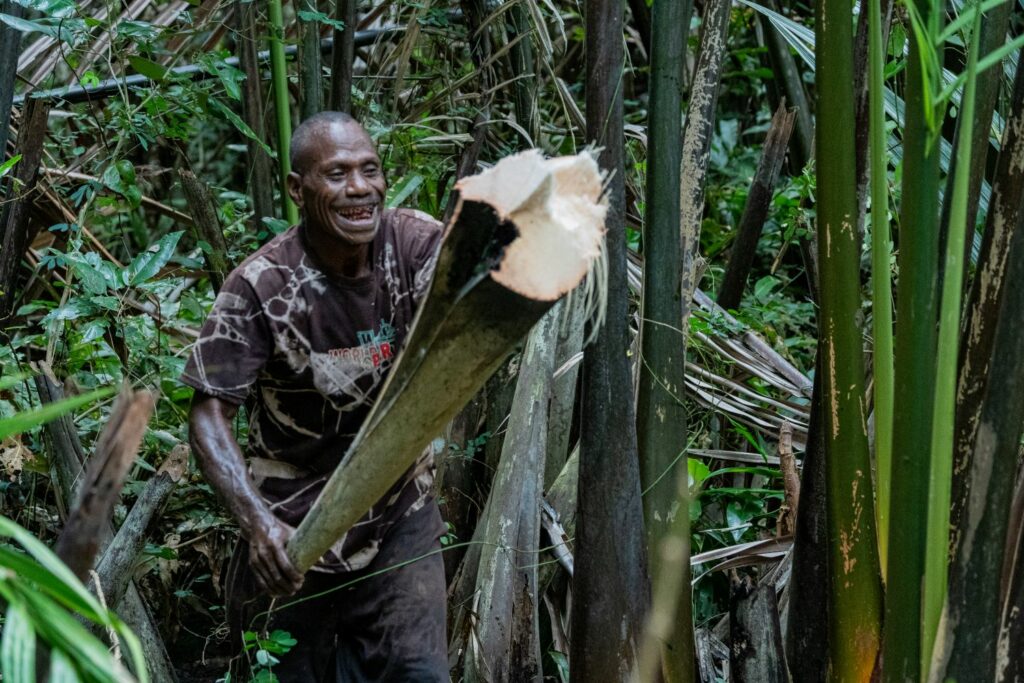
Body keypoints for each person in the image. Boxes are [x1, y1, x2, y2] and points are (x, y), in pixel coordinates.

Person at [182, 111, 449, 682]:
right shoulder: (261, 284)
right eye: (337, 174)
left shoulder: (416, 243)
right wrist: (258, 526)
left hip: (398, 505)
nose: (359, 189)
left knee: (420, 674)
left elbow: (472, 298)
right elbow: (208, 412)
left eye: (369, 170)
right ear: (297, 190)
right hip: (296, 530)